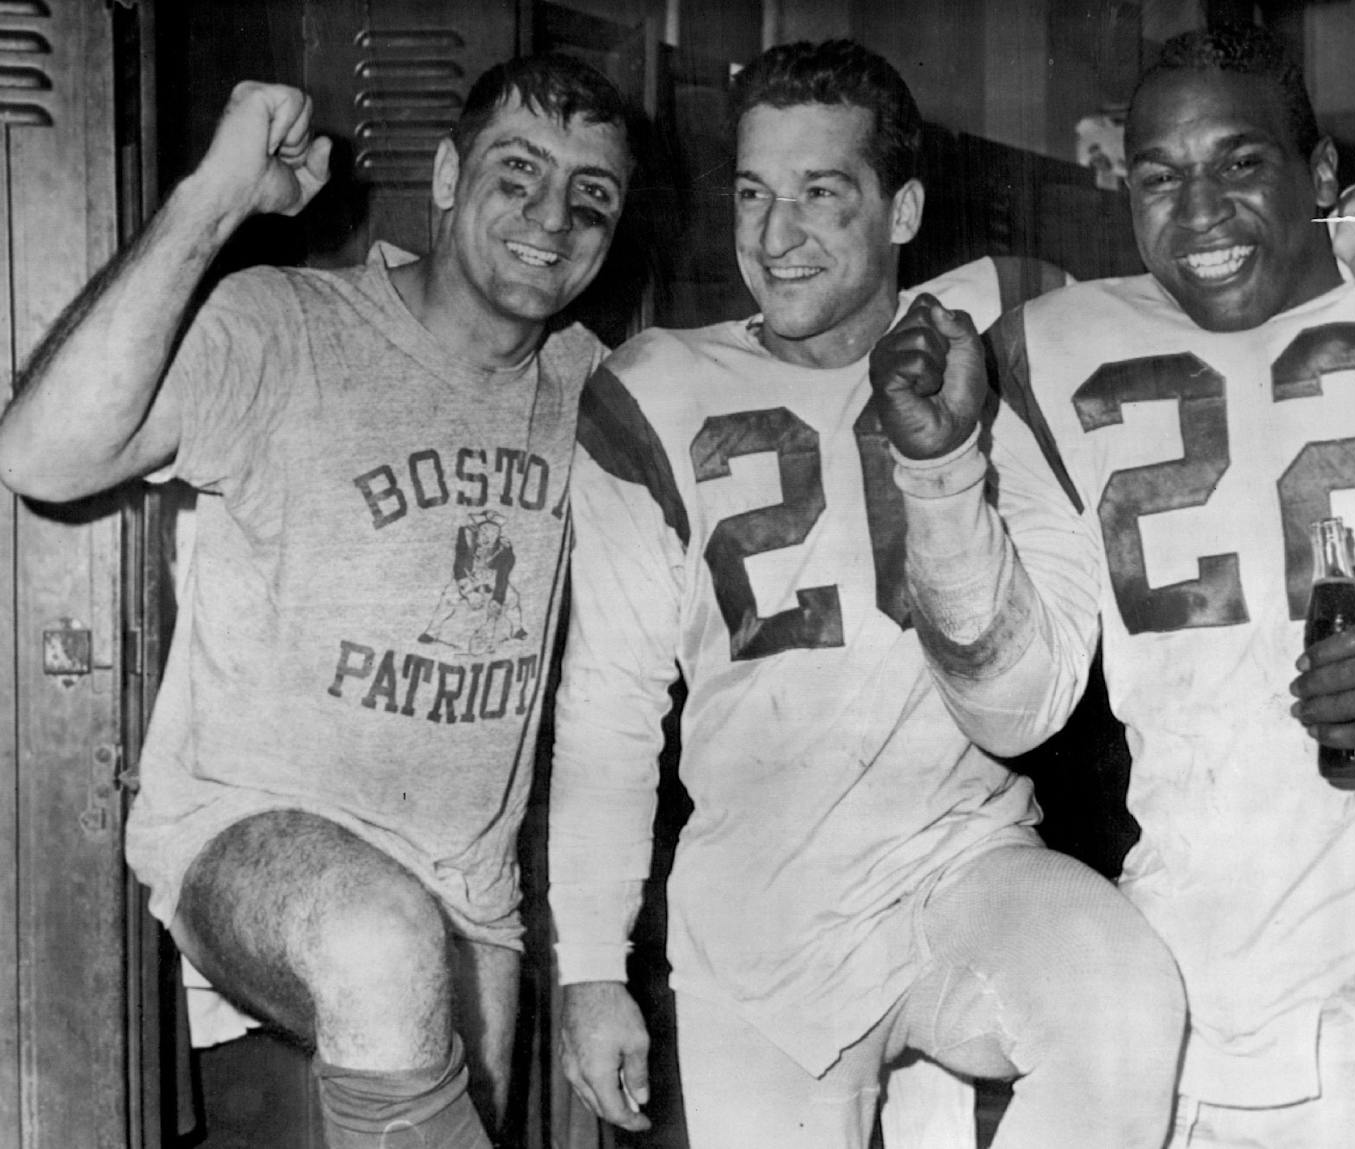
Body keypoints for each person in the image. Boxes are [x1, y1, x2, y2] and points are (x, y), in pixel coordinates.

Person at [547, 38, 1190, 1149]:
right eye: (752, 193)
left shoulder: (992, 334)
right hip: (763, 910)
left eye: (818, 194)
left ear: (901, 211)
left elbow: (1209, 275)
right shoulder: (650, 391)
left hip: (964, 863)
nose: (772, 236)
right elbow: (605, 707)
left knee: (1123, 998)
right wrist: (592, 965)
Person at [0, 55, 634, 1149]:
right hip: (248, 833)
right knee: (378, 941)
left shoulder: (598, 387)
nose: (552, 216)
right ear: (443, 175)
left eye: (593, 193)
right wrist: (216, 198)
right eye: (516, 170)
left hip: (470, 890)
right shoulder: (287, 325)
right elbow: (45, 457)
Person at [874, 23, 1355, 1148]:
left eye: (1239, 164)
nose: (1200, 213)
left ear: (1317, 174)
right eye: (1159, 178)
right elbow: (1010, 704)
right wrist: (937, 474)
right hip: (1200, 1009)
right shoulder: (1058, 352)